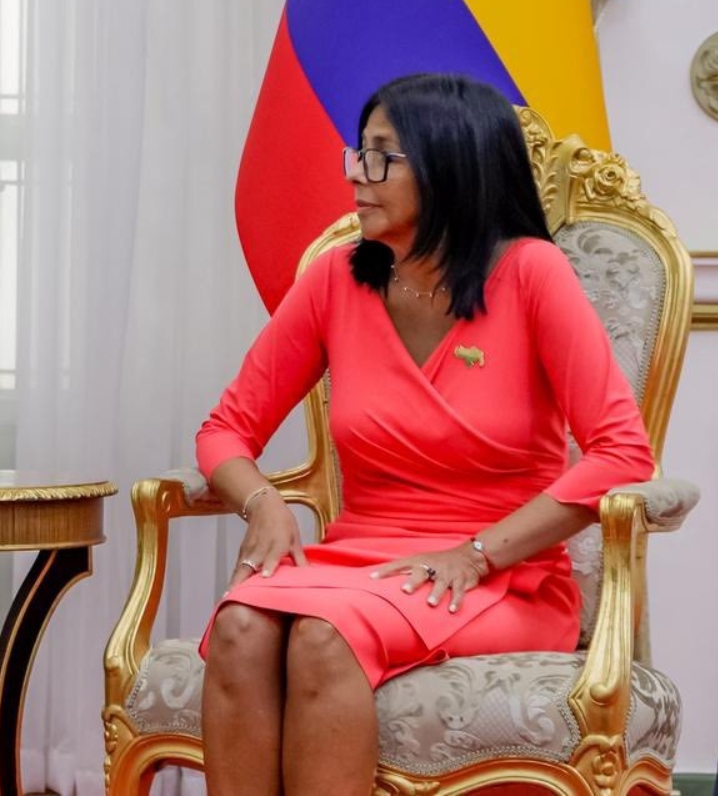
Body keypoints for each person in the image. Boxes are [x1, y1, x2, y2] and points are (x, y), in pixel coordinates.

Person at [195, 73, 654, 794]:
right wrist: (263, 504)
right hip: (357, 562)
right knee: (240, 627)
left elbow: (623, 454)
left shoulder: (532, 273)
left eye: (382, 156)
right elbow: (225, 431)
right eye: (359, 152)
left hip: (502, 578)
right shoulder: (334, 280)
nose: (356, 174)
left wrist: (478, 553)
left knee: (322, 635)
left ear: (449, 165)